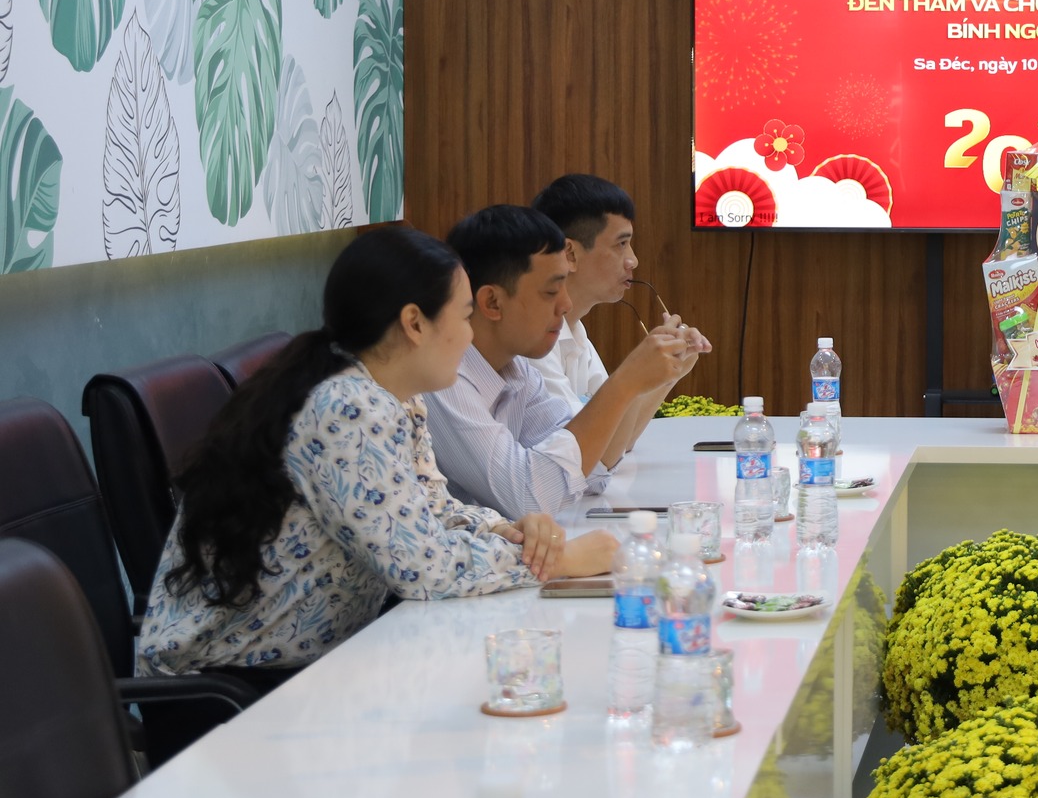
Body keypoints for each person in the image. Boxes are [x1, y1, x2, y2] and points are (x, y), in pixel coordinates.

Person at [138, 227, 616, 680]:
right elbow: (422, 569)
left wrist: (507, 531)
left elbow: (433, 507)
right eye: (464, 316)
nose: (471, 335)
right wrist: (557, 561)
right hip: (227, 685)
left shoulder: (395, 396)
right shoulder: (346, 406)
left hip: (305, 670)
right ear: (414, 323)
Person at [424, 205, 693, 519]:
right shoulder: (444, 380)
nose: (565, 304)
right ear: (492, 302)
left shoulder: (518, 371)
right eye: (551, 291)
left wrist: (640, 381)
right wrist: (625, 382)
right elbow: (526, 498)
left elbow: (594, 469)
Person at [529, 173, 710, 423]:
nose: (633, 261)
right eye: (621, 244)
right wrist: (635, 372)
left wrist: (670, 372)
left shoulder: (575, 330)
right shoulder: (532, 341)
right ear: (570, 254)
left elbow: (618, 435)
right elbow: (585, 444)